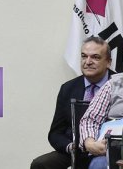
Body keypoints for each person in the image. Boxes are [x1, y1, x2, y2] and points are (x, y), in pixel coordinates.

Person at [31, 37, 112, 169]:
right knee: (41, 164)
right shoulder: (68, 88)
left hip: (106, 151)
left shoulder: (118, 86)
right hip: (76, 150)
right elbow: (55, 133)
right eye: (84, 56)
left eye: (95, 57)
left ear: (108, 62)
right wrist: (71, 147)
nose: (88, 62)